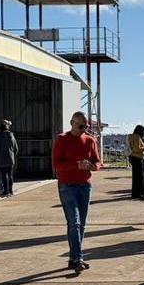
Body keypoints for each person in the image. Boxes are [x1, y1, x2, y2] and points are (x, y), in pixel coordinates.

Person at [52, 111, 101, 272]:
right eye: (81, 126)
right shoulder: (62, 140)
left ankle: (74, 258)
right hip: (67, 185)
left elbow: (97, 162)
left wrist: (92, 166)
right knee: (75, 221)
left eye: (86, 126)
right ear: (72, 123)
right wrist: (76, 165)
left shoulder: (90, 140)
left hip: (84, 186)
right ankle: (77, 258)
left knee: (81, 224)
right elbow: (57, 165)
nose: (84, 129)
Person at [0, 120, 18, 198]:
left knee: (4, 175)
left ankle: (6, 192)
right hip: (10, 158)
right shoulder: (11, 135)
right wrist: (13, 155)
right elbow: (16, 148)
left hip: (1, 159)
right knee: (10, 175)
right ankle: (11, 191)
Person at [128, 124, 144, 199]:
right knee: (139, 177)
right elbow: (137, 149)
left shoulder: (131, 137)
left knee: (136, 177)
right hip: (137, 158)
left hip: (133, 157)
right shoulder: (137, 137)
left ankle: (135, 193)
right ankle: (138, 193)